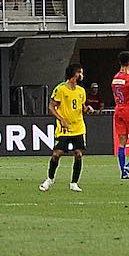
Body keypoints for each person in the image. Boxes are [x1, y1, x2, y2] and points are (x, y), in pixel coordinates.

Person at [41, 64, 87, 193]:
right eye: (79, 72)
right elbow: (51, 106)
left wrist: (87, 109)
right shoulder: (61, 89)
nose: (81, 75)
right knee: (56, 154)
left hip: (78, 127)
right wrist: (61, 119)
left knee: (78, 154)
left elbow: (81, 107)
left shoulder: (81, 91)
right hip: (64, 129)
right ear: (73, 74)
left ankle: (74, 183)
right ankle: (50, 179)